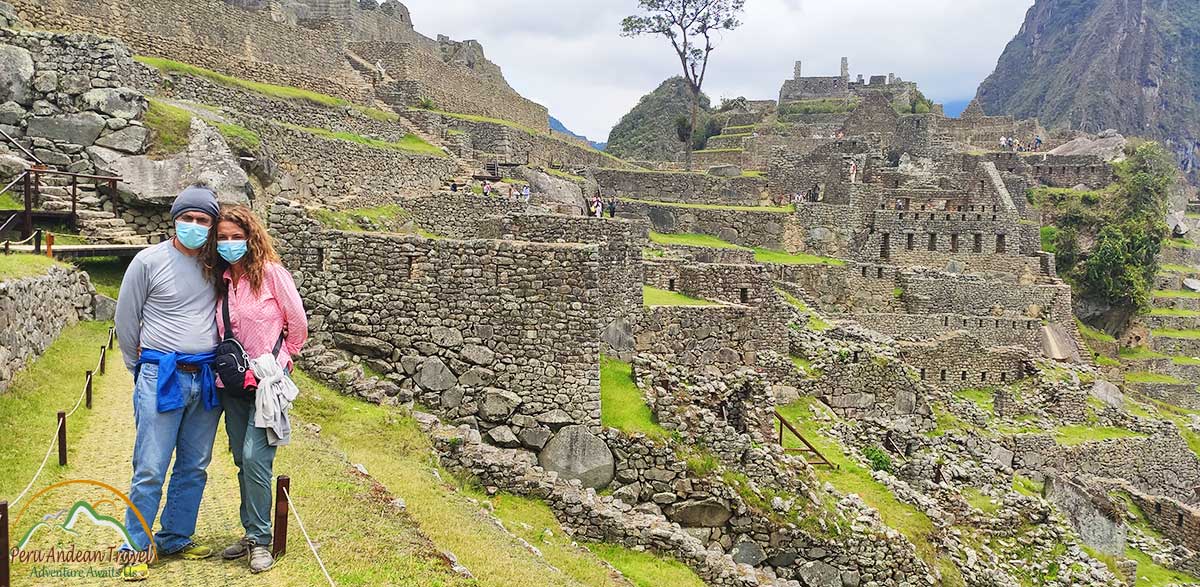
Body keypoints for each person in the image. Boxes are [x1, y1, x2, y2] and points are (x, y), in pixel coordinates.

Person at [114, 184, 223, 581]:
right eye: (188, 218)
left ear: (211, 225)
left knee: (194, 465)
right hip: (160, 374)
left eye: (203, 220)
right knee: (150, 465)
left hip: (206, 377)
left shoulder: (216, 265)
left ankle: (176, 535)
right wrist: (139, 368)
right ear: (175, 219)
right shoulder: (147, 261)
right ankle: (134, 545)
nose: (194, 225)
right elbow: (127, 321)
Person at [208, 206, 308, 574]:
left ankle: (262, 539)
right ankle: (250, 532)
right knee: (240, 457)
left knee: (255, 457)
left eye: (237, 237)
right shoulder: (222, 280)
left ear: (251, 238)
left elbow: (297, 324)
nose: (231, 244)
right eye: (224, 237)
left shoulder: (271, 275)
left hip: (267, 384)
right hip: (232, 383)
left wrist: (282, 363)